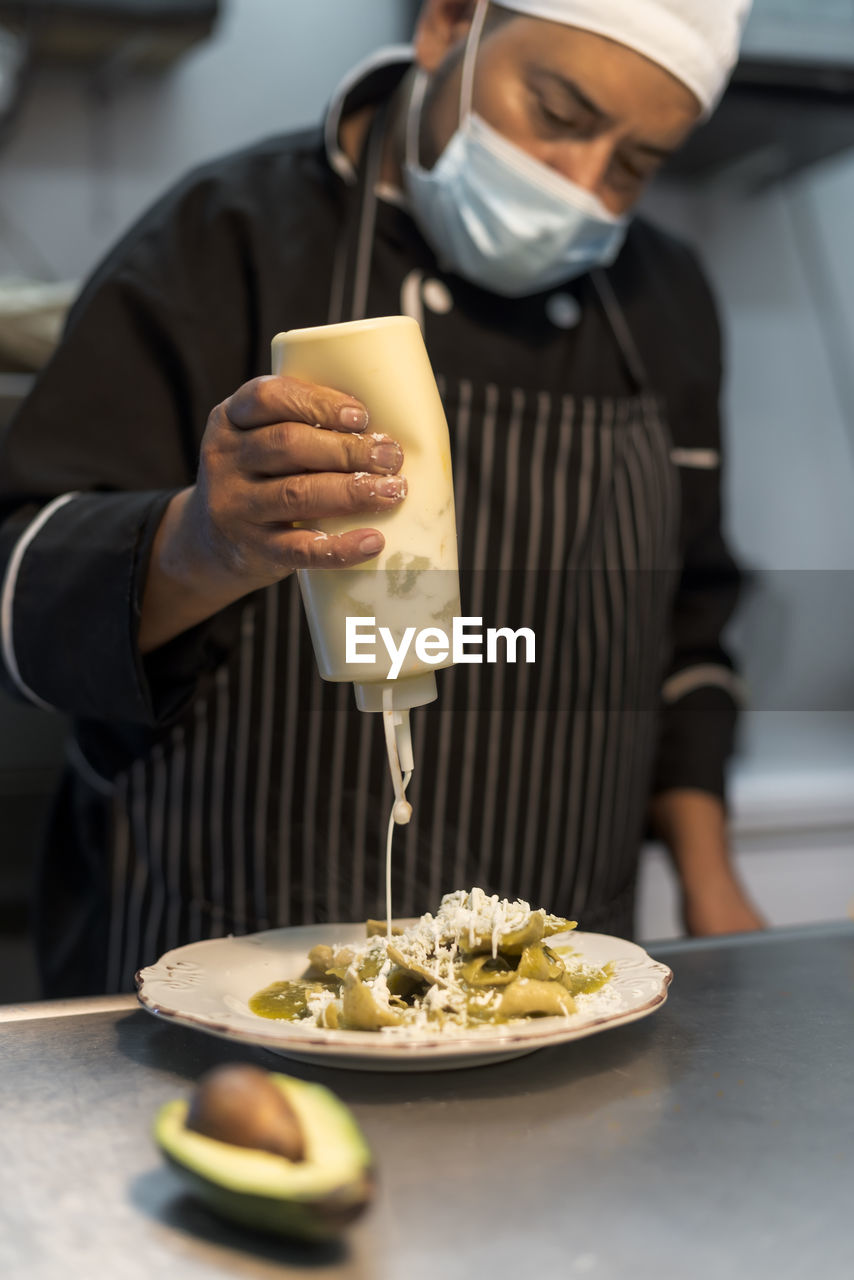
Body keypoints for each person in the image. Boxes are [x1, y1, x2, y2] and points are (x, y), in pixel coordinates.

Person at [0, 0, 764, 997]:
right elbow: (21, 577)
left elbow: (687, 627)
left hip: (548, 988)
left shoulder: (663, 304)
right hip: (237, 960)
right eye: (557, 113)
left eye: (633, 163)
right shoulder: (227, 235)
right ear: (449, 24)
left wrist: (714, 896)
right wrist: (204, 543)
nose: (582, 185)